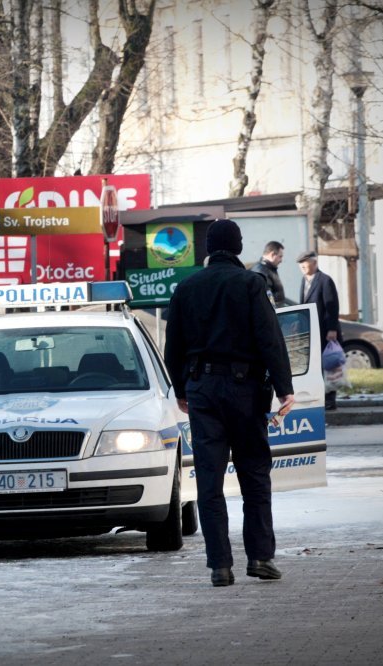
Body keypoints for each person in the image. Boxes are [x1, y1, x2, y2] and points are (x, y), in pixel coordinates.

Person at [164, 219, 295, 588]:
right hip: (245, 391)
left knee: (209, 479)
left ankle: (219, 566)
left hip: (202, 390)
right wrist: (284, 388)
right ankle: (261, 557)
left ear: (209, 248)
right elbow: (270, 339)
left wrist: (181, 390)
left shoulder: (186, 287)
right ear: (237, 247)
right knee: (254, 474)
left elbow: (173, 345)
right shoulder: (252, 284)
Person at [296, 250, 342, 410]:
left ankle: (330, 400)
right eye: (300, 264)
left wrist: (332, 329)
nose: (302, 266)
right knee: (317, 367)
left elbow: (332, 306)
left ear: (314, 263)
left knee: (329, 366)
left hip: (325, 331)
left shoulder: (325, 280)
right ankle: (319, 397)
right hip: (312, 331)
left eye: (305, 262)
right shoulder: (304, 280)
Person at [250, 241, 286, 307]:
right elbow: (267, 299)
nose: (281, 260)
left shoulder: (269, 268)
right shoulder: (261, 271)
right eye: (280, 256)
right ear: (272, 254)